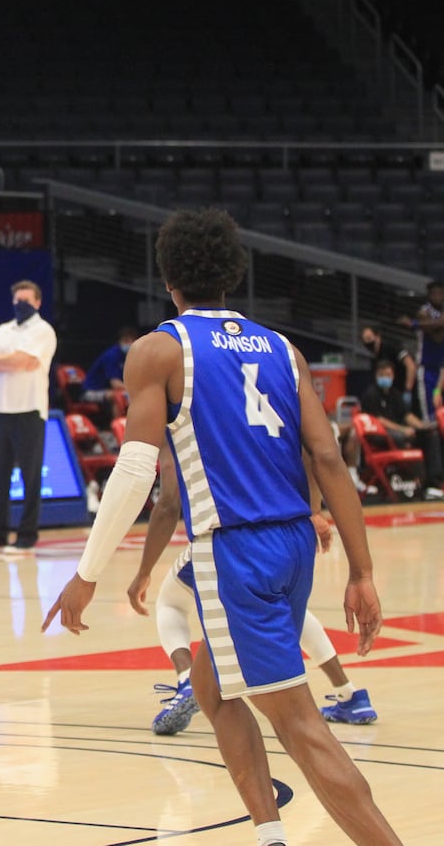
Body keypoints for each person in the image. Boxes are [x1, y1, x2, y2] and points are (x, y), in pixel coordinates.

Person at [43, 208, 401, 846]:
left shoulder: (159, 349)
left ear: (169, 280)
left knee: (298, 726)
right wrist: (363, 573)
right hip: (294, 544)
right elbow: (327, 459)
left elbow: (133, 471)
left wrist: (85, 574)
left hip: (235, 548)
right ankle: (270, 835)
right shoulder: (282, 348)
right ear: (231, 276)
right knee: (212, 686)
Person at [129, 445, 378, 737]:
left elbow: (170, 503)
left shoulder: (194, 407)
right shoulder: (280, 399)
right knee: (280, 606)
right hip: (292, 531)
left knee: (170, 602)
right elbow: (317, 453)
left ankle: (188, 679)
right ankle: (349, 694)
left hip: (234, 535)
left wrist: (143, 572)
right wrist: (314, 511)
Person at [0, 280, 57, 554]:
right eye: (17, 300)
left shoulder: (43, 331)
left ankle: (26, 534)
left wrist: (1, 361)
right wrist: (9, 361)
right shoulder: (3, 330)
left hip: (30, 409)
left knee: (30, 476)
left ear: (37, 302)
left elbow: (25, 362)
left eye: (26, 300)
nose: (21, 304)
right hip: (0, 409)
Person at [357, 357, 444, 497]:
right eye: (382, 375)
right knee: (404, 437)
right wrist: (403, 430)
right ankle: (413, 480)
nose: (386, 378)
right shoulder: (370, 395)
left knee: (431, 435)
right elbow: (380, 421)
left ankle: (433, 483)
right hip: (381, 436)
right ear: (376, 375)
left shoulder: (395, 394)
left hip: (399, 432)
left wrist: (422, 426)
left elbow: (406, 415)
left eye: (388, 375)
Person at [399, 279, 444, 419]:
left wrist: (413, 324)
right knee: (431, 413)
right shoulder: (423, 311)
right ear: (429, 295)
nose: (437, 296)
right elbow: (437, 338)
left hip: (442, 368)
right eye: (434, 293)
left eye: (440, 293)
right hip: (427, 369)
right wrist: (432, 324)